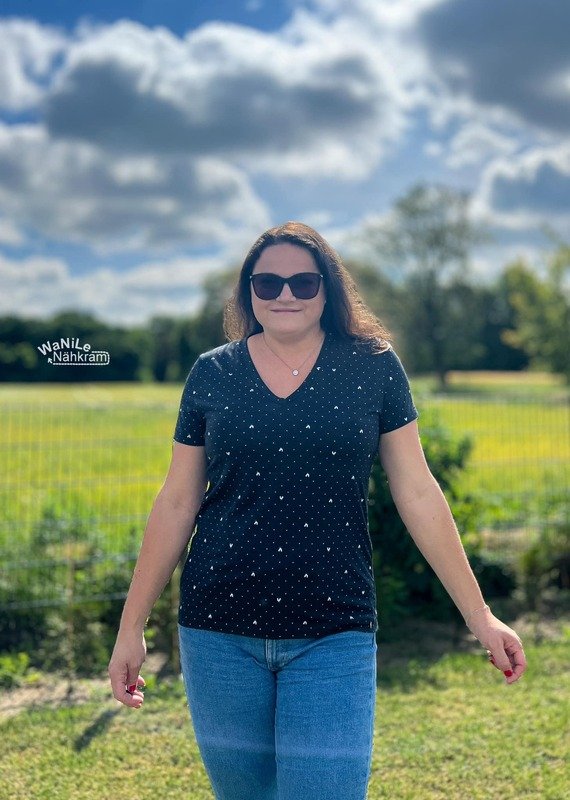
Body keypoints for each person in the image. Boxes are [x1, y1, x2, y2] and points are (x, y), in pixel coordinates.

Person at [108, 221, 527, 800]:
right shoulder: (212, 373)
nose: (285, 295)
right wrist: (131, 627)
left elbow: (417, 491)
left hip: (334, 629)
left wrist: (481, 617)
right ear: (248, 292)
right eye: (268, 283)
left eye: (303, 283)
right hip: (217, 631)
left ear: (328, 290)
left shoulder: (373, 366)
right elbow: (177, 501)